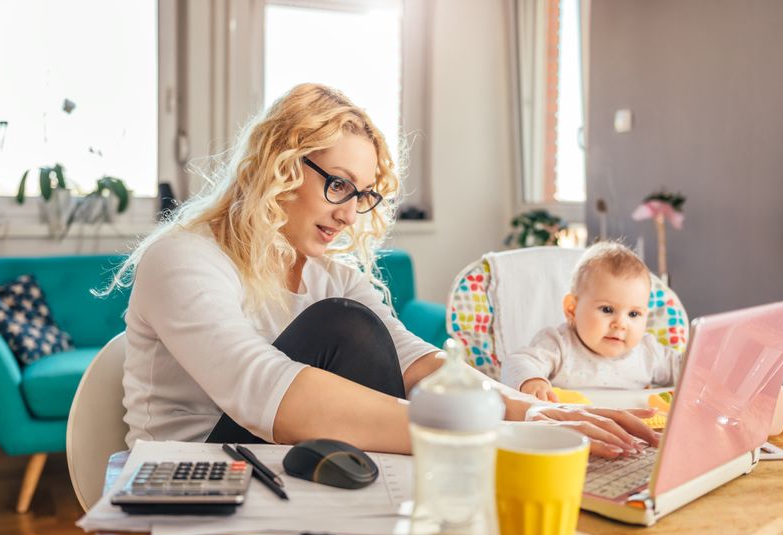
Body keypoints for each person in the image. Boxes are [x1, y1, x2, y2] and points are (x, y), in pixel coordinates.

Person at [107, 83, 657, 459]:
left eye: (363, 194)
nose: (349, 213)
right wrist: (481, 427)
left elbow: (419, 364)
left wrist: (534, 410)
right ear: (277, 165)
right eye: (338, 184)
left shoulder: (332, 275)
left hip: (286, 466)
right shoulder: (184, 258)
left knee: (363, 330)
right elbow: (266, 390)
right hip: (192, 480)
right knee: (344, 326)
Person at [502, 241, 682, 402]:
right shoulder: (559, 344)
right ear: (571, 309)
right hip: (574, 430)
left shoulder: (648, 352)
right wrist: (533, 381)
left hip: (632, 433)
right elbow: (517, 363)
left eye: (633, 314)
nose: (620, 324)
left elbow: (688, 370)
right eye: (607, 310)